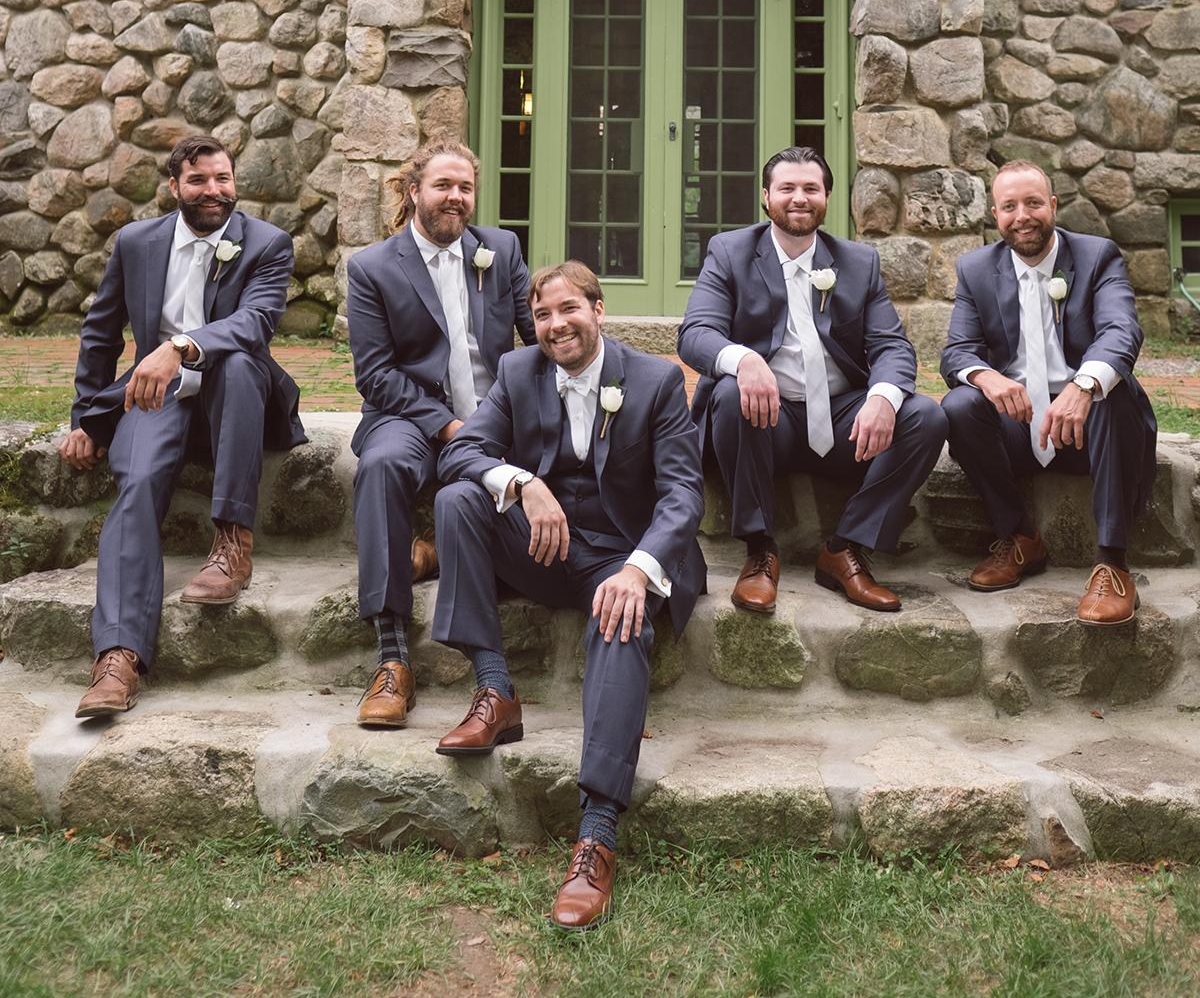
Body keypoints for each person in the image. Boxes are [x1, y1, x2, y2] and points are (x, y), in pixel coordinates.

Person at [432, 260, 705, 930]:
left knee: (620, 622)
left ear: (600, 310)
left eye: (569, 310)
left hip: (621, 552)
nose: (556, 326)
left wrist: (639, 570)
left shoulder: (656, 380)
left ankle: (597, 834)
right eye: (544, 315)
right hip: (545, 548)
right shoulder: (518, 371)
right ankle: (496, 689)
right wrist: (522, 481)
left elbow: (682, 493)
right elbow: (459, 454)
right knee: (458, 498)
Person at [60, 134, 304, 719]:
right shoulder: (138, 242)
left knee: (244, 361)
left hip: (237, 394)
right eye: (198, 181)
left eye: (222, 179)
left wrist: (181, 344)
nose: (213, 191)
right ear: (174, 187)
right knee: (137, 483)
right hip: (156, 395)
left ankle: (231, 543)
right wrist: (87, 418)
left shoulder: (267, 243)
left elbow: (257, 320)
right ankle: (118, 658)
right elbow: (100, 332)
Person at [678, 146, 946, 615]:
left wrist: (883, 397)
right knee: (726, 392)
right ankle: (760, 552)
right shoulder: (730, 251)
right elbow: (695, 334)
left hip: (845, 421)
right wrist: (742, 360)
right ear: (766, 197)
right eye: (787, 188)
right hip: (765, 421)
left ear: (826, 198)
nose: (799, 198)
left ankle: (845, 549)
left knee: (925, 415)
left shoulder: (858, 262)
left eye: (811, 188)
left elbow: (892, 346)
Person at [346, 138, 535, 728]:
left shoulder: (500, 250)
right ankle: (392, 655)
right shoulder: (374, 267)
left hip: (493, 415)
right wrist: (450, 426)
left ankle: (430, 552)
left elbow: (540, 332)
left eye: (465, 188)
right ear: (413, 191)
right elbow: (375, 375)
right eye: (443, 186)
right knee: (380, 466)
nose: (456, 197)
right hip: (411, 417)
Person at [940, 160, 1156, 624]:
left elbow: (1122, 331)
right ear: (995, 215)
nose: (1023, 216)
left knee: (1112, 391)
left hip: (1091, 429)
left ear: (1053, 206)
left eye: (1034, 203)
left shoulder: (1097, 256)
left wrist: (1083, 386)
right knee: (958, 404)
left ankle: (1112, 564)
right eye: (1010, 206)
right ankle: (1019, 539)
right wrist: (986, 377)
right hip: (1020, 429)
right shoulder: (976, 269)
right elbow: (957, 352)